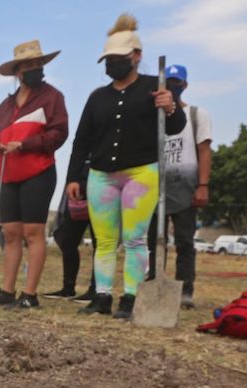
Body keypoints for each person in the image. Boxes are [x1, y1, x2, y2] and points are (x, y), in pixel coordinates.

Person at [66, 13, 185, 319]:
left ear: (136, 56)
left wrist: (169, 107)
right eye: (108, 60)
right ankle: (102, 296)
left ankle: (131, 297)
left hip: (140, 173)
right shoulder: (98, 97)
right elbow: (81, 140)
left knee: (134, 238)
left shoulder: (154, 88)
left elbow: (175, 127)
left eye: (118, 58)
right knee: (104, 240)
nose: (112, 64)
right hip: (100, 176)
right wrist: (73, 177)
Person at [0, 40, 69, 309]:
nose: (35, 68)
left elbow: (59, 133)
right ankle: (7, 290)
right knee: (10, 233)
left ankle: (29, 294)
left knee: (33, 232)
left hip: (38, 171)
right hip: (8, 173)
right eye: (29, 65)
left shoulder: (52, 97)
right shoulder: (5, 106)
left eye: (38, 64)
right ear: (18, 71)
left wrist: (27, 144)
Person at [146, 64, 212, 309]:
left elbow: (204, 150)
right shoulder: (152, 116)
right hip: (154, 187)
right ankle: (154, 283)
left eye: (177, 82)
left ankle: (185, 291)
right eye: (169, 81)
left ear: (185, 85)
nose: (174, 86)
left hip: (185, 186)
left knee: (185, 242)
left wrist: (202, 185)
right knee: (153, 241)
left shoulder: (196, 114)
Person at [43, 183, 98, 302]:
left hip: (102, 187)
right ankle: (68, 287)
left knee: (100, 243)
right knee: (67, 239)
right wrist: (72, 180)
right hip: (78, 191)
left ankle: (96, 290)